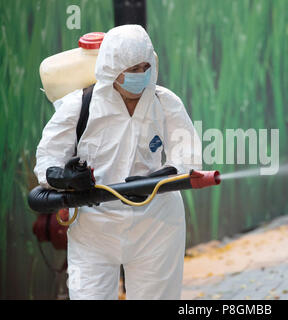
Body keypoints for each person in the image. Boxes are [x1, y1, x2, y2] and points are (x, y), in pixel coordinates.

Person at [34, 24, 202, 299]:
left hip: (156, 225)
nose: (141, 75)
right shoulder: (80, 105)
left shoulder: (164, 102)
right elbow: (47, 158)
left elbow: (189, 156)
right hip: (94, 230)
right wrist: (64, 177)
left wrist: (158, 178)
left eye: (145, 67)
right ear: (112, 68)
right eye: (132, 69)